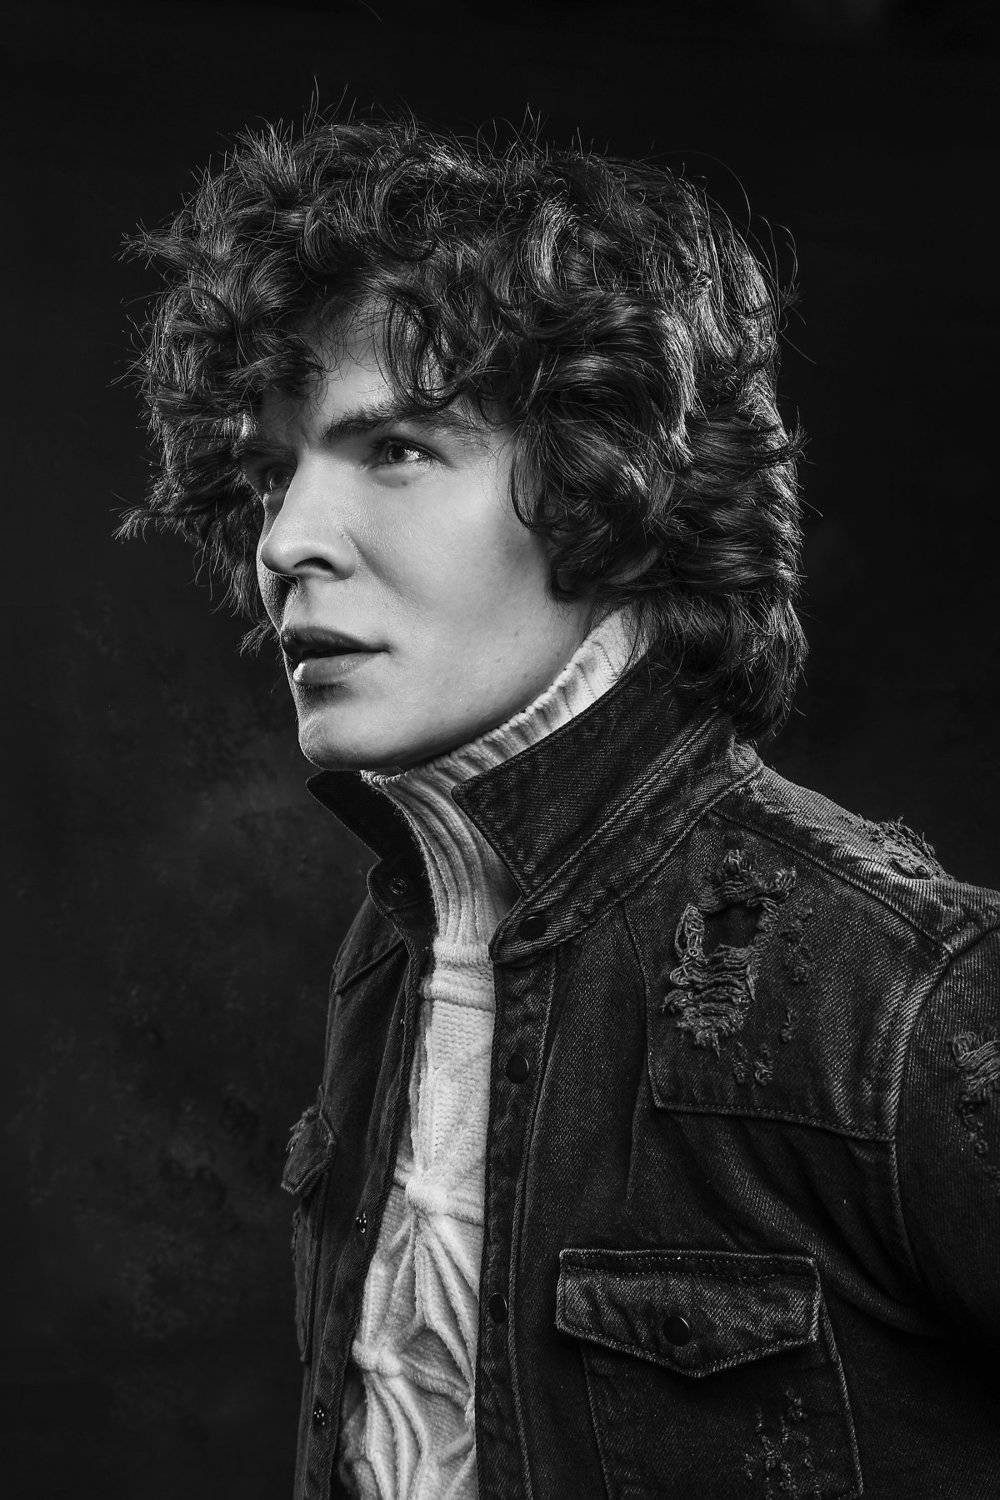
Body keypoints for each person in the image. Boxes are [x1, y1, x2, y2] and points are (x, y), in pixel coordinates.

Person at [120, 111, 1000, 1499]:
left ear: (617, 485)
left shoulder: (900, 991)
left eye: (395, 447)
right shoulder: (398, 942)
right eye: (276, 469)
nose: (287, 539)